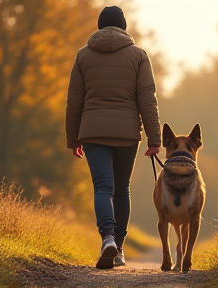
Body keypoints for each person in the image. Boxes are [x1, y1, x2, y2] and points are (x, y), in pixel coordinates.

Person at [65, 5, 161, 269]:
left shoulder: (83, 55)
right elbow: (147, 99)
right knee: (121, 189)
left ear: (98, 26)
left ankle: (106, 236)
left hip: (93, 132)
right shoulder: (139, 56)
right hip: (127, 132)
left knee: (102, 187)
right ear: (124, 27)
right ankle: (118, 248)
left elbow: (74, 102)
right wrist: (155, 138)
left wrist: (73, 140)